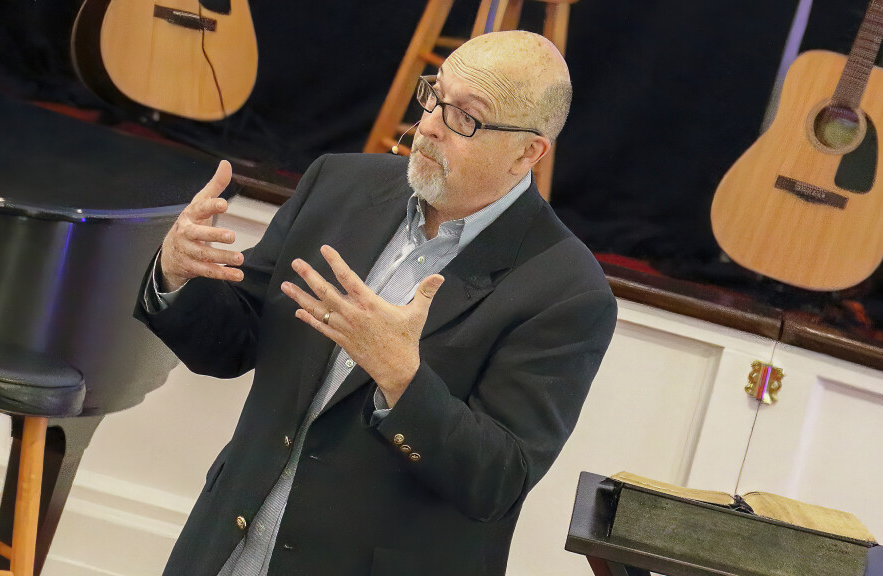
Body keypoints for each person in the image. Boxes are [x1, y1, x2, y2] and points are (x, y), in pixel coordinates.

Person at [134, 30, 617, 576]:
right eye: (434, 95)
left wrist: (401, 377)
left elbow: (498, 481)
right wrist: (179, 273)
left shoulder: (566, 290)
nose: (429, 124)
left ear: (528, 152)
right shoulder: (339, 184)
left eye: (466, 117)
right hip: (228, 550)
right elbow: (234, 342)